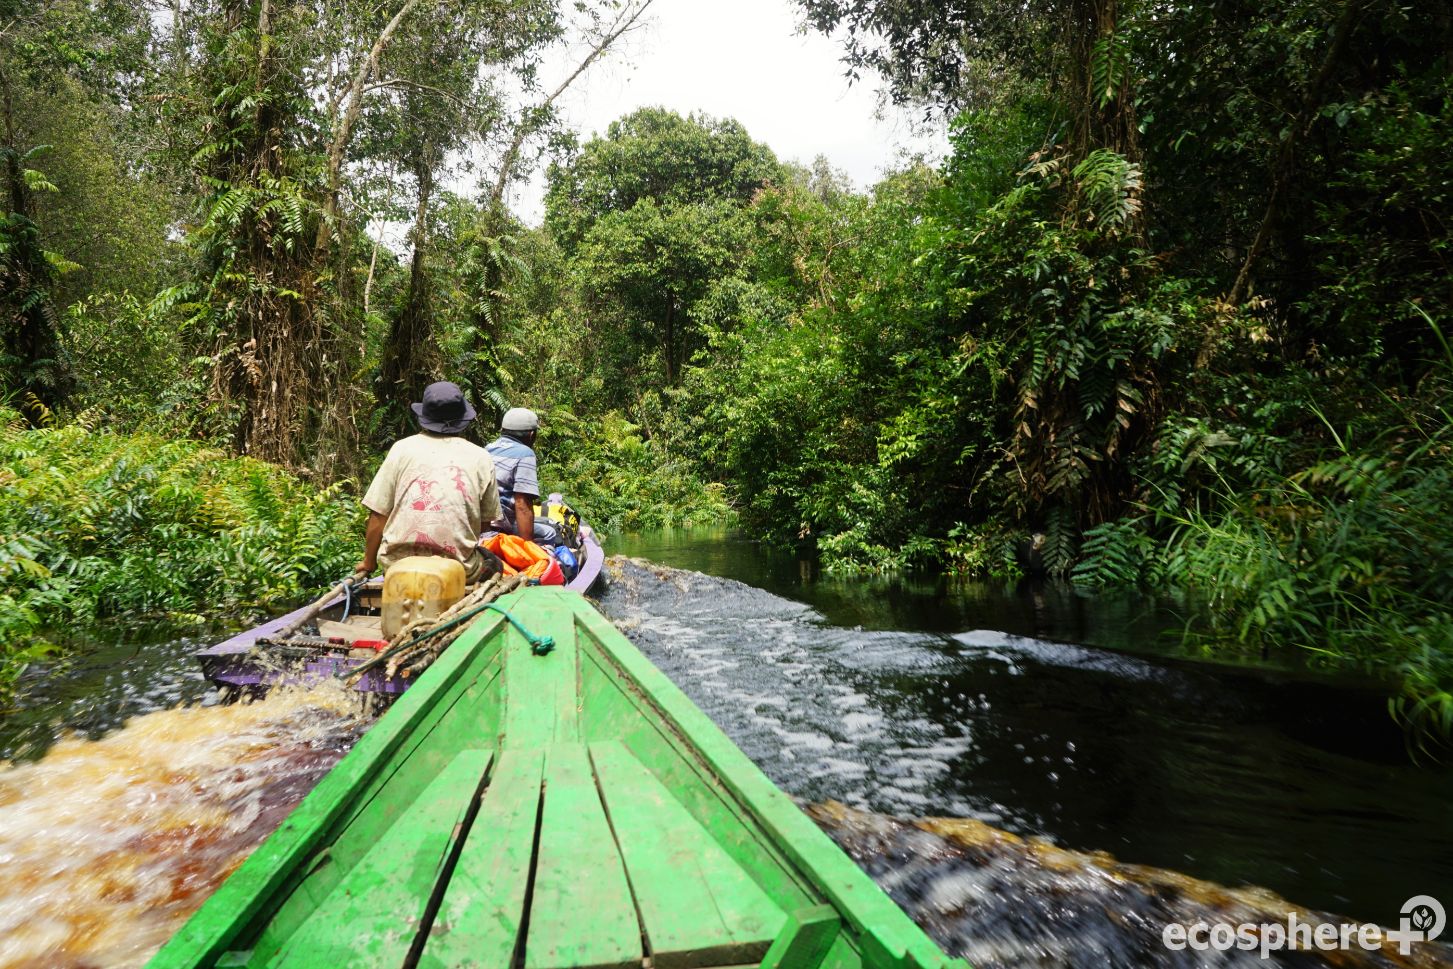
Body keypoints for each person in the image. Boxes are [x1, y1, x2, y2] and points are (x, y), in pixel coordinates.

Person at [356, 381, 501, 581]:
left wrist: (368, 562)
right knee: (495, 563)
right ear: (462, 419)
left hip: (397, 567)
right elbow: (484, 524)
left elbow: (378, 514)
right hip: (456, 570)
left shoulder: (401, 449)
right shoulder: (481, 457)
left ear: (424, 417)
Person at [486, 407, 561, 546]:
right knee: (550, 532)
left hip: (483, 521)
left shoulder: (489, 448)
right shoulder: (525, 453)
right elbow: (522, 504)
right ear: (531, 434)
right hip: (502, 523)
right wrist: (528, 547)